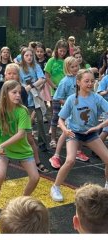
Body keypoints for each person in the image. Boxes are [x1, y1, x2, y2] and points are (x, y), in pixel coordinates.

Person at [0, 80, 40, 223]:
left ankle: (21, 203)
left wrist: (3, 145)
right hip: (4, 150)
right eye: (14, 92)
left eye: (19, 92)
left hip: (21, 149)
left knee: (35, 178)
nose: (18, 95)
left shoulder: (22, 110)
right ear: (5, 94)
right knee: (0, 175)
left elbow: (21, 134)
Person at [50, 69, 108, 202]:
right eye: (86, 81)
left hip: (91, 134)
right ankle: (56, 187)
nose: (90, 84)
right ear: (78, 82)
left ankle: (106, 186)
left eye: (92, 81)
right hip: (74, 134)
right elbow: (60, 119)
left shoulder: (96, 98)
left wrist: (99, 126)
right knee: (70, 160)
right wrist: (64, 130)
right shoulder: (72, 99)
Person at [4, 63, 49, 173]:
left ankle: (37, 162)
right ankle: (4, 162)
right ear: (5, 75)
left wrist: (28, 119)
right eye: (9, 74)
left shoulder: (22, 90)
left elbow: (23, 106)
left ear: (18, 75)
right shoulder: (3, 88)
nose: (11, 76)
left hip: (21, 118)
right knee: (5, 138)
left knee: (30, 139)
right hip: (8, 117)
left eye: (14, 74)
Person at [49, 57, 89, 169]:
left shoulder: (81, 78)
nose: (75, 68)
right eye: (72, 67)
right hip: (70, 111)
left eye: (77, 66)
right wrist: (70, 103)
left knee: (83, 130)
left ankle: (78, 151)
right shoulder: (65, 81)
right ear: (67, 68)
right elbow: (58, 97)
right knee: (67, 132)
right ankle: (56, 156)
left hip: (82, 110)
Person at [19, 47, 48, 152]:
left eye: (31, 55)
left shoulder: (36, 66)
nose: (29, 57)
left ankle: (42, 142)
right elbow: (18, 81)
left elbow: (42, 79)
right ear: (23, 56)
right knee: (24, 121)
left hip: (36, 97)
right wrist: (24, 87)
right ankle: (23, 141)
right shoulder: (20, 68)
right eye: (26, 55)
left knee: (40, 120)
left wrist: (31, 86)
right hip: (25, 98)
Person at [44, 39, 69, 149]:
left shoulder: (67, 61)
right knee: (56, 115)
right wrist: (54, 86)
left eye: (64, 51)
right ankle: (53, 139)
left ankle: (70, 138)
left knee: (69, 116)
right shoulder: (51, 61)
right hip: (56, 92)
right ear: (57, 50)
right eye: (60, 51)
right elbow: (47, 76)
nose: (62, 53)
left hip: (67, 93)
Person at [35, 42, 51, 119]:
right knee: (41, 99)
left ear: (44, 52)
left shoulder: (47, 61)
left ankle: (53, 114)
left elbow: (48, 72)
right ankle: (43, 115)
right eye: (37, 51)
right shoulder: (35, 62)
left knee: (50, 98)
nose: (39, 53)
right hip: (39, 82)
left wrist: (45, 81)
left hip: (47, 82)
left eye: (41, 51)